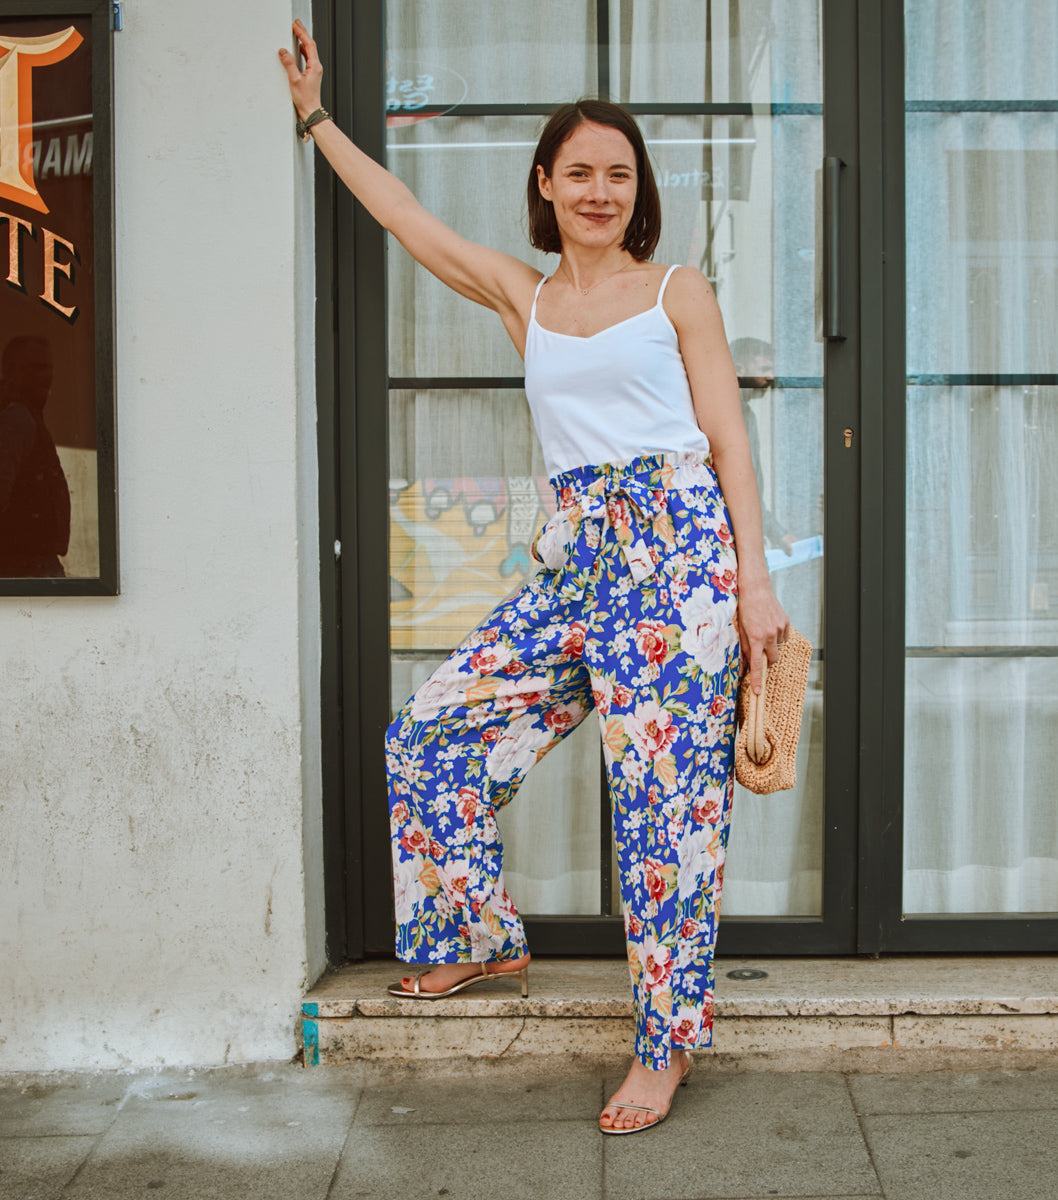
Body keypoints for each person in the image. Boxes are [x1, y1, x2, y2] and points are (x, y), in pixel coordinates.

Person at [280, 19, 789, 1135]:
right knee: (430, 734)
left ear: (636, 190)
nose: (600, 190)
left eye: (619, 174)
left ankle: (663, 1049)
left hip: (678, 565)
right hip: (576, 561)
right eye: (580, 173)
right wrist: (318, 122)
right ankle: (477, 938)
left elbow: (730, 443)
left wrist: (756, 585)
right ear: (545, 187)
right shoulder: (528, 298)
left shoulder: (678, 294)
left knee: (665, 815)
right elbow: (405, 217)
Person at [0, 335, 70, 578]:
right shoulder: (17, 418)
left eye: (48, 368)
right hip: (26, 567)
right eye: (36, 367)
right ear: (11, 370)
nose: (46, 375)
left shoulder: (25, 416)